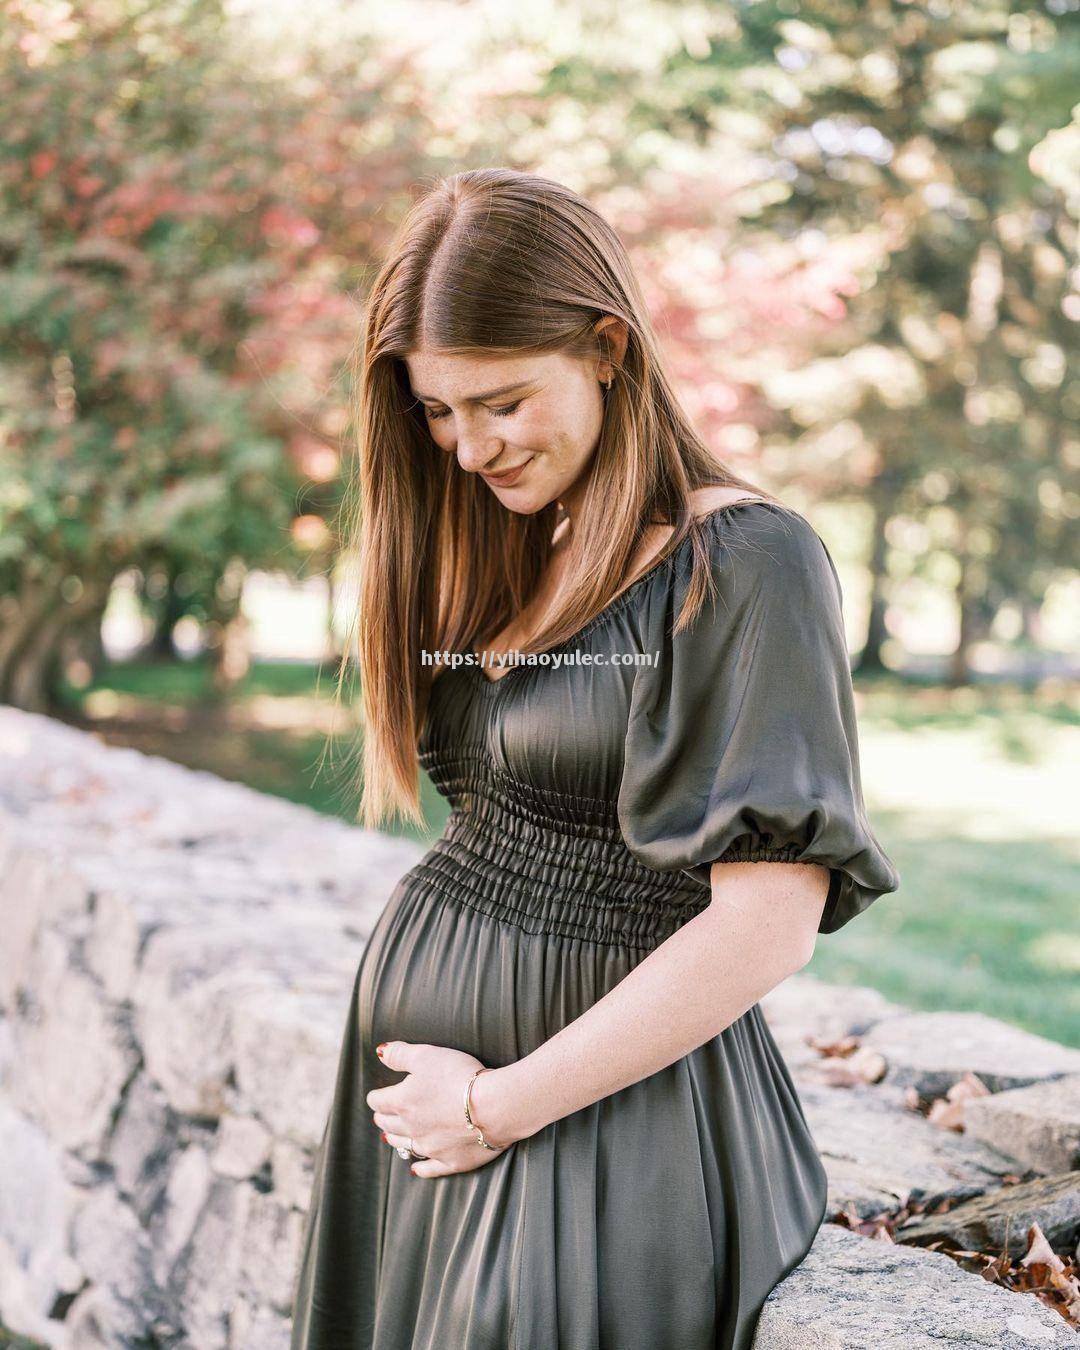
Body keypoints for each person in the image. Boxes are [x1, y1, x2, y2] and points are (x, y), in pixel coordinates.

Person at [289, 166, 899, 1350]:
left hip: (590, 1128)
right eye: (438, 412)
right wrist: (456, 1110)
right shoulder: (529, 542)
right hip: (442, 1133)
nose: (468, 448)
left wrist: (494, 1107)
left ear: (609, 347)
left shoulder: (748, 564)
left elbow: (766, 921)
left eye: (501, 401)